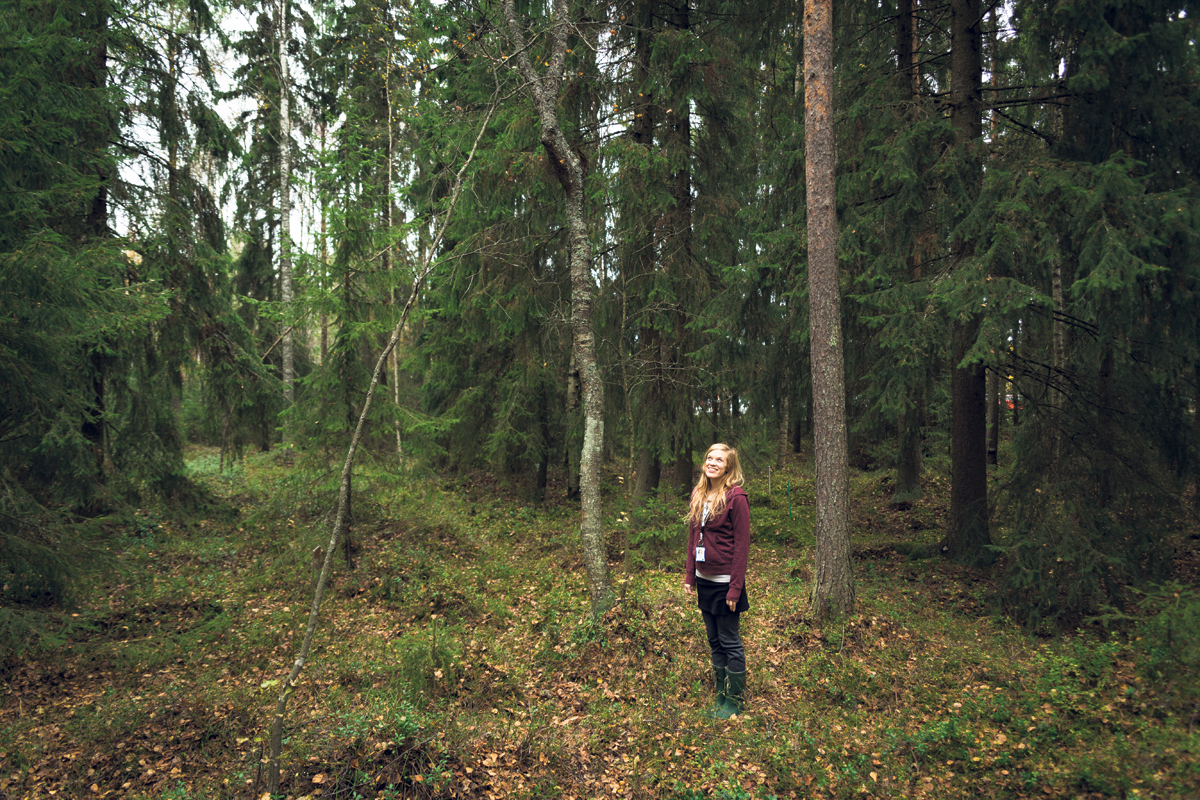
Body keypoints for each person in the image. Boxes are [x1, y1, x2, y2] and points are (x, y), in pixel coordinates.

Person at [683, 442, 750, 719]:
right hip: (704, 579)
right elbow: (692, 538)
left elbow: (742, 545)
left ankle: (734, 701)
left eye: (719, 460)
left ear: (728, 467)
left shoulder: (736, 497)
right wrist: (690, 575)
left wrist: (735, 588)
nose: (712, 462)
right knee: (713, 640)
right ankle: (721, 694)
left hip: (725, 582)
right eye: (709, 457)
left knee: (729, 640)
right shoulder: (698, 493)